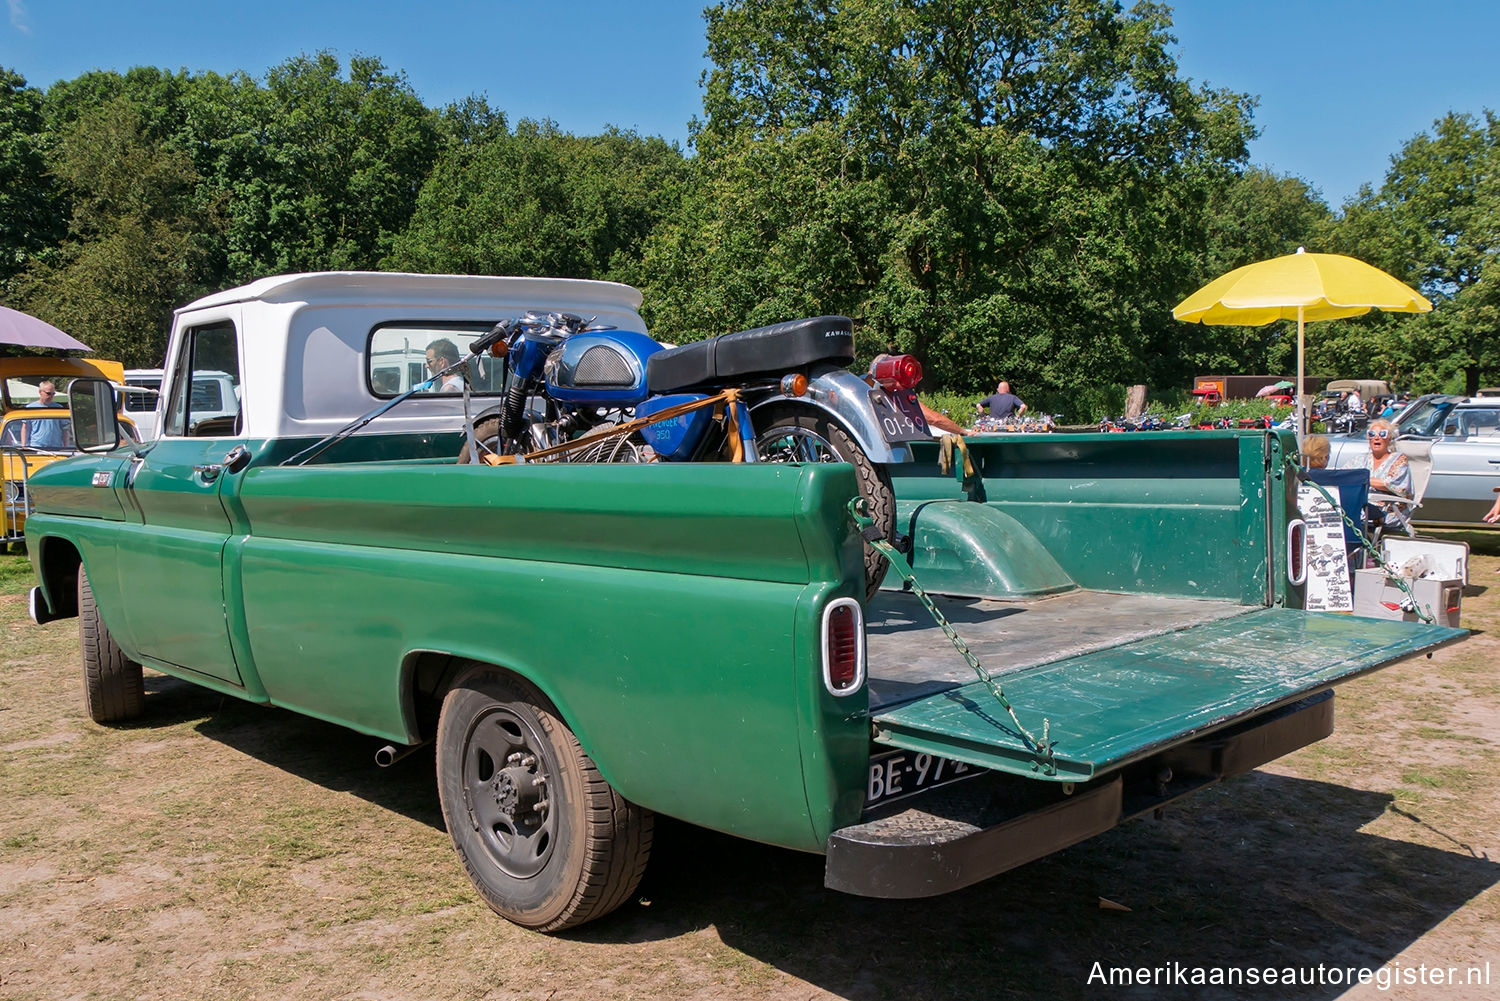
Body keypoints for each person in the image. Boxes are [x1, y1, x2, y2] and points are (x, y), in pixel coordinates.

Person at [1365, 418, 1412, 532]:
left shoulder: (1399, 460)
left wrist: (1361, 479)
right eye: (1372, 434)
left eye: (1382, 434)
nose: (1377, 437)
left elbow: (1390, 484)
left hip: (1389, 510)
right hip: (1363, 507)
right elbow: (1346, 476)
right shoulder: (1360, 459)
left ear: (1389, 438)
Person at [20, 380, 66, 449]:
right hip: (36, 447)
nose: (51, 396)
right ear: (40, 392)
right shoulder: (30, 408)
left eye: (53, 394)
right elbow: (25, 427)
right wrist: (23, 445)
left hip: (56, 447)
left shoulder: (59, 408)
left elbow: (65, 429)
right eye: (48, 393)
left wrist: (66, 447)